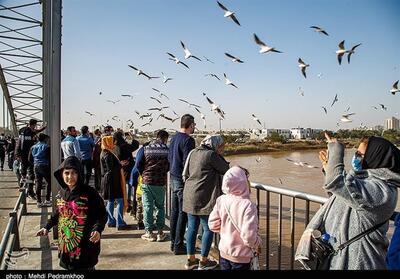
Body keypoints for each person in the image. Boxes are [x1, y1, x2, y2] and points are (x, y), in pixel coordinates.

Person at [295, 134, 400, 270]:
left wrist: (336, 149)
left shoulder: (382, 192)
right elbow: (340, 196)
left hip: (358, 262)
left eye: (359, 154)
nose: (355, 158)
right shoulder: (365, 181)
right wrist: (329, 169)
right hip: (339, 258)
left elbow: (336, 183)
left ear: (375, 157)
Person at [36, 156, 107, 270]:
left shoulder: (90, 193)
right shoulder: (61, 193)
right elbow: (58, 213)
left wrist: (97, 229)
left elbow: (101, 215)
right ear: (61, 174)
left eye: (74, 173)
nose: (70, 177)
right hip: (66, 246)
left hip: (85, 248)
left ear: (79, 174)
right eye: (67, 173)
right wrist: (47, 227)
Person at [182, 135, 230, 270]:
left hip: (190, 194)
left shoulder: (194, 152)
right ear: (215, 145)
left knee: (192, 227)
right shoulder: (211, 155)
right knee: (208, 228)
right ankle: (203, 261)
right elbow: (226, 169)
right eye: (221, 146)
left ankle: (191, 260)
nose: (223, 148)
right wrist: (219, 155)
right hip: (204, 197)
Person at [208, 166, 262, 270]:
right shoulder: (248, 205)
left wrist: (226, 231)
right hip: (241, 257)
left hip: (224, 251)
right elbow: (249, 236)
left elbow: (212, 225)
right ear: (243, 182)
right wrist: (258, 242)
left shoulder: (221, 200)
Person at [168, 114, 196, 255]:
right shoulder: (188, 140)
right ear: (190, 125)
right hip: (181, 178)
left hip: (172, 176)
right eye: (194, 124)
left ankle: (173, 242)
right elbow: (187, 163)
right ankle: (179, 245)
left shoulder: (173, 138)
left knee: (174, 211)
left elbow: (169, 157)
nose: (195, 127)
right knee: (182, 212)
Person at [137, 130, 169, 242]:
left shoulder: (146, 148)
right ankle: (160, 232)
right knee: (160, 206)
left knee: (147, 206)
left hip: (146, 181)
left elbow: (138, 163)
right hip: (160, 182)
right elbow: (169, 165)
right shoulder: (167, 150)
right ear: (165, 138)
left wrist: (143, 173)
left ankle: (149, 232)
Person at [100, 135, 128, 230]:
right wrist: (120, 165)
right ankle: (119, 222)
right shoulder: (108, 154)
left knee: (111, 200)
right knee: (120, 200)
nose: (114, 143)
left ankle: (111, 220)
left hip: (108, 180)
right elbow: (111, 169)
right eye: (112, 141)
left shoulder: (104, 152)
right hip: (112, 180)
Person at [15, 119, 46, 197]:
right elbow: (37, 131)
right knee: (31, 174)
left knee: (24, 172)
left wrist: (17, 153)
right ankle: (29, 191)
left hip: (22, 155)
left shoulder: (23, 131)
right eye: (35, 125)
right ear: (33, 125)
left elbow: (19, 143)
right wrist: (44, 127)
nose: (35, 127)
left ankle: (23, 186)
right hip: (28, 156)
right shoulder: (30, 132)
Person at [113, 131, 137, 213]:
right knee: (129, 186)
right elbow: (135, 146)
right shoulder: (125, 146)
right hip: (128, 169)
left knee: (122, 186)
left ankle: (124, 202)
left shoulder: (114, 147)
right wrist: (132, 137)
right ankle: (128, 203)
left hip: (119, 169)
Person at [28, 133, 51, 208]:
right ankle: (47, 200)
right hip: (45, 166)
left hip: (36, 166)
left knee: (38, 183)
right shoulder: (47, 147)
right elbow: (50, 158)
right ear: (45, 139)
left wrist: (34, 163)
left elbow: (29, 159)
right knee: (49, 182)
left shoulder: (33, 147)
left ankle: (39, 201)